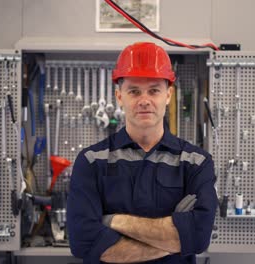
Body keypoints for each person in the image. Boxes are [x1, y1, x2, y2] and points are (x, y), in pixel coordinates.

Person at [67, 42, 218, 263]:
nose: (144, 100)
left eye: (154, 90)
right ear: (119, 97)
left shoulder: (196, 162)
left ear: (168, 95)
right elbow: (83, 243)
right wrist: (175, 239)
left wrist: (114, 221)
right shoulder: (91, 161)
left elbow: (198, 237)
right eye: (134, 91)